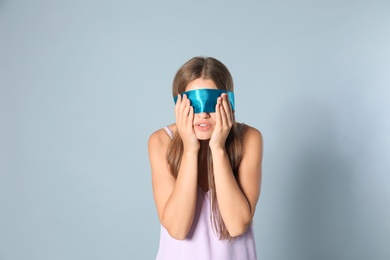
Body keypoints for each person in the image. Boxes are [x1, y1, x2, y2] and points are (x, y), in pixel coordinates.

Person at [148, 56, 263, 260]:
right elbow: (177, 229)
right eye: (193, 105)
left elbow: (236, 225)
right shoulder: (161, 141)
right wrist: (190, 149)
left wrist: (218, 148)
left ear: (229, 103)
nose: (203, 115)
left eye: (211, 104)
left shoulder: (250, 138)